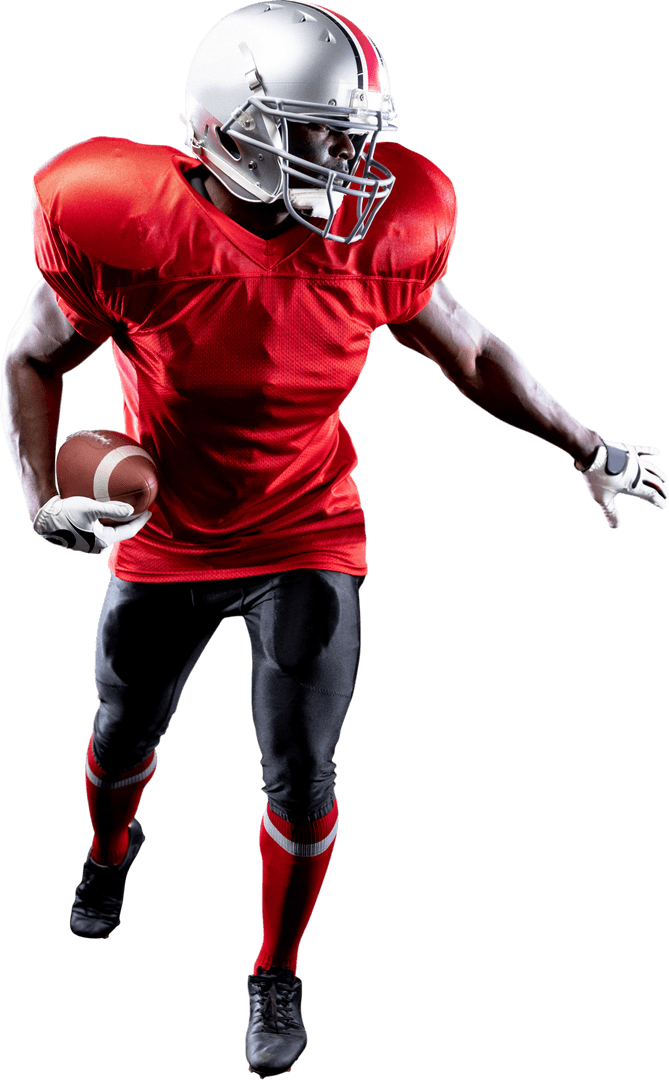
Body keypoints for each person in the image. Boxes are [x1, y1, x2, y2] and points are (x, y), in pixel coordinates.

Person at [1, 3, 666, 1077]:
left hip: (308, 525)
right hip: (168, 529)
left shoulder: (379, 237)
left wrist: (585, 445)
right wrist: (37, 495)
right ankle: (108, 852)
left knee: (304, 775)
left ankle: (276, 969)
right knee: (122, 735)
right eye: (321, 134)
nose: (353, 161)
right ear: (226, 127)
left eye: (358, 134)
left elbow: (473, 352)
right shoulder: (126, 229)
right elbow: (30, 357)